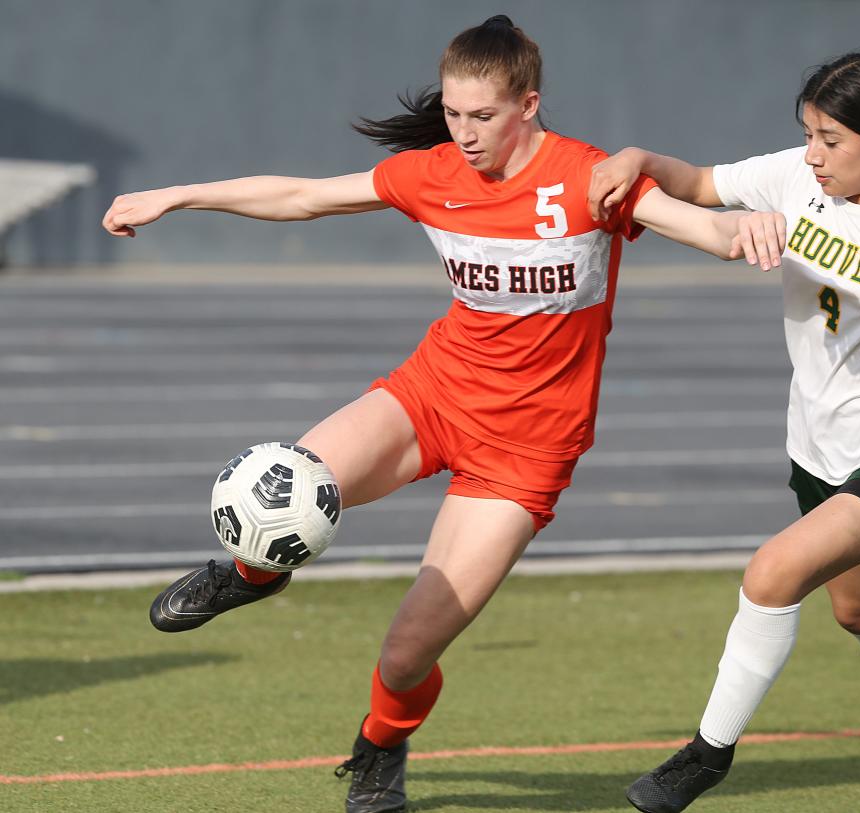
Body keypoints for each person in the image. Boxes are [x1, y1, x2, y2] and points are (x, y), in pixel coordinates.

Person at [102, 16, 779, 813]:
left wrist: (741, 229)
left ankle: (380, 749)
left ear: (529, 104)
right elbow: (301, 196)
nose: (463, 134)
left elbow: (698, 222)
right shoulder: (432, 174)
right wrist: (175, 194)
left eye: (482, 116)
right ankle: (250, 574)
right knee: (291, 481)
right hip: (432, 394)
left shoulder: (590, 179)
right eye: (453, 115)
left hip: (524, 452)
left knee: (404, 654)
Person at [588, 50, 860, 812]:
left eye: (832, 139)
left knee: (772, 574)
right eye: (809, 134)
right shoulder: (797, 175)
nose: (814, 155)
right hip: (819, 448)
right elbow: (694, 182)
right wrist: (635, 157)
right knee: (859, 610)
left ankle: (706, 756)